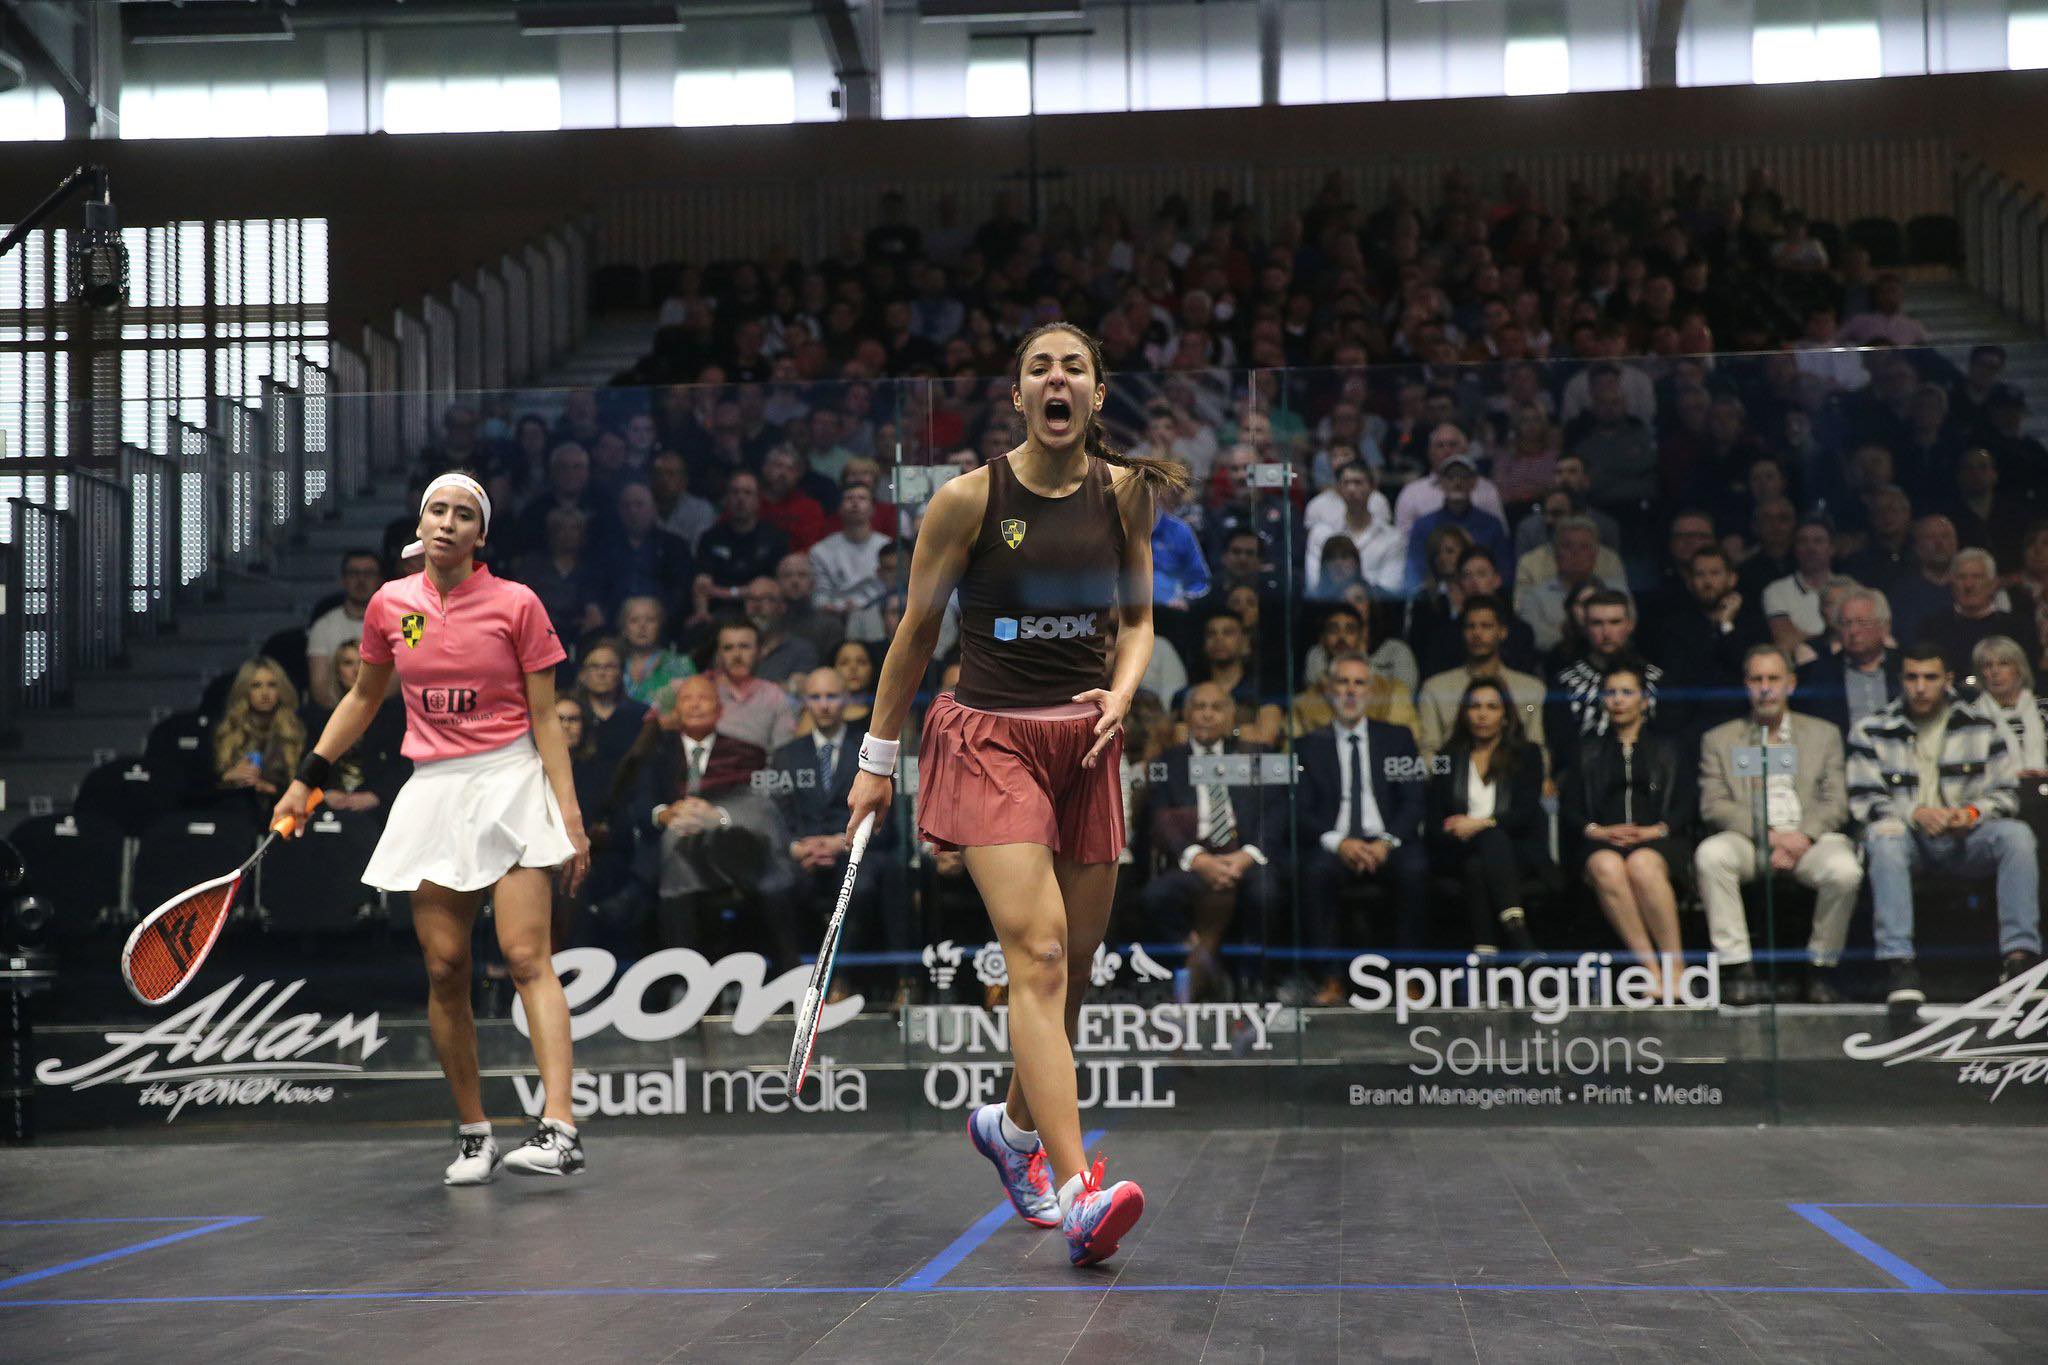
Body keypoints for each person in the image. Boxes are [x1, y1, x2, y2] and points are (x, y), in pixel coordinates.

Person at [843, 322, 1180, 1267]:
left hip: (1087, 744)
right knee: (1037, 952)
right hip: (989, 739)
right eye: (1040, 368)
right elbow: (915, 635)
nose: (1056, 379)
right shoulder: (967, 501)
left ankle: (1011, 1129)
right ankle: (1078, 1194)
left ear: (1097, 394)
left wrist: (1121, 693)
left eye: (1074, 367)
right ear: (1020, 394)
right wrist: (876, 759)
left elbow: (1139, 621)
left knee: (1072, 967)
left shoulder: (1128, 495)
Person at [274, 472, 591, 1185]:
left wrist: (568, 815)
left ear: (481, 534)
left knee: (525, 956)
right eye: (437, 511)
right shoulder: (391, 605)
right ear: (420, 526)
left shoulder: (517, 603)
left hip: (511, 779)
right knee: (445, 966)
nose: (448, 523)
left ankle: (560, 1128)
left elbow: (546, 717)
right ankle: (475, 1134)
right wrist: (307, 778)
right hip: (435, 788)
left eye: (463, 515)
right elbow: (363, 697)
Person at [1849, 643, 2043, 1003]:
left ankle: (2019, 961)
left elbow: (2006, 794)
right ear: (1901, 680)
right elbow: (1864, 799)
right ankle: (1899, 965)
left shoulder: (1981, 726)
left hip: (1966, 837)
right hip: (1908, 839)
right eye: (1912, 678)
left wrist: (1970, 814)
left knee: (2017, 836)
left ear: (1948, 680)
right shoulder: (1872, 729)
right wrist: (1915, 813)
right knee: (1884, 837)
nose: (1920, 687)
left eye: (1930, 677)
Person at [1693, 646, 1861, 1005]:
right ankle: (1737, 967)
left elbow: (1835, 801)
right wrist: (1768, 837)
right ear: (1746, 685)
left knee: (1845, 871)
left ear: (1791, 684)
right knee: (1711, 855)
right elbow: (1714, 805)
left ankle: (1820, 968)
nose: (1765, 688)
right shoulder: (1720, 740)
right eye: (1757, 679)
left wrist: (1802, 837)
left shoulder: (1823, 734)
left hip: (1810, 839)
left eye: (1773, 678)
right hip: (1750, 839)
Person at [1139, 682, 1288, 1002]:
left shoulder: (1256, 756)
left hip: (1244, 858)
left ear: (1231, 716)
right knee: (1155, 897)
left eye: (1216, 708)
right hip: (1195, 860)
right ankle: (1207, 968)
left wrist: (1248, 855)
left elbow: (1277, 811)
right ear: (1186, 715)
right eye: (1199, 707)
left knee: (1266, 893)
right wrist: (1198, 859)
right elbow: (1160, 818)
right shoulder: (1168, 761)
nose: (1207, 715)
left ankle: (1252, 980)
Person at [1295, 652, 1429, 999]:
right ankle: (1330, 979)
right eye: (1343, 682)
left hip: (1388, 841)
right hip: (1336, 843)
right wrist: (1340, 842)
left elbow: (1414, 801)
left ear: (1371, 692)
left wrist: (1386, 842)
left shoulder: (1398, 738)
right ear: (1329, 691)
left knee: (1415, 869)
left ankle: (1408, 978)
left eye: (1359, 683)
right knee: (1314, 872)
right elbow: (1300, 810)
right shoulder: (1308, 745)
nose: (1351, 691)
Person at [771, 668, 909, 1002]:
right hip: (802, 855)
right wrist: (796, 847)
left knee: (863, 886)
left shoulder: (869, 750)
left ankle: (841, 979)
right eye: (816, 697)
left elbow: (886, 819)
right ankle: (790, 981)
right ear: (805, 702)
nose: (824, 705)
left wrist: (839, 842)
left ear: (846, 700)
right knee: (774, 887)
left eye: (831, 696)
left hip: (853, 850)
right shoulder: (786, 755)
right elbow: (776, 815)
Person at [1561, 659, 1692, 991]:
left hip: (1659, 839)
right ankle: (1650, 969)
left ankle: (1675, 966)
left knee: (1642, 865)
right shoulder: (1586, 749)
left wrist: (1655, 830)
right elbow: (1570, 808)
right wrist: (1598, 831)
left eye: (1627, 692)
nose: (1618, 700)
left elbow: (1687, 805)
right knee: (1606, 866)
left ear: (1644, 701)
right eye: (1611, 693)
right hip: (1603, 840)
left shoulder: (1669, 748)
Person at [1424, 677, 1551, 957]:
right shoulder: (1447, 757)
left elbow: (1525, 813)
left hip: (1515, 849)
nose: (1482, 714)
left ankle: (1485, 954)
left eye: (1492, 707)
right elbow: (1433, 822)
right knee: (1480, 852)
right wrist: (1458, 830)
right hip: (1458, 848)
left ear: (1505, 716)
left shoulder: (1527, 754)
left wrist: (1482, 824)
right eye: (1475, 707)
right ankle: (1519, 936)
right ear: (1464, 713)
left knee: (1479, 862)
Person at [1413, 594, 1546, 758]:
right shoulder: (1435, 689)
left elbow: (1537, 747)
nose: (1477, 633)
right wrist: (1452, 772)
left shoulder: (1531, 690)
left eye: (1486, 626)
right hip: (1454, 772)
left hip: (1514, 771)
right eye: (1470, 627)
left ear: (1503, 632)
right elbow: (1428, 750)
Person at [1794, 586, 1901, 735]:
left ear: (1884, 626)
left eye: (1862, 622)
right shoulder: (1815, 675)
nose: (1854, 631)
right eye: (1846, 623)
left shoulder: (1906, 666)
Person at [214, 656, 306, 803]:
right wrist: (227, 778)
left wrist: (271, 789)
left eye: (272, 685)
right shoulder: (226, 731)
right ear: (245, 690)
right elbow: (199, 788)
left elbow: (312, 789)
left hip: (283, 812)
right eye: (256, 685)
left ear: (281, 690)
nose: (265, 693)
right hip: (234, 810)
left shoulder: (297, 732)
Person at [307, 550, 384, 708]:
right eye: (354, 573)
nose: (361, 580)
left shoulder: (395, 623)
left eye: (369, 573)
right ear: (343, 579)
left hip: (384, 712)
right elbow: (320, 689)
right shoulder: (323, 627)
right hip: (335, 711)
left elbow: (399, 680)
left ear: (380, 580)